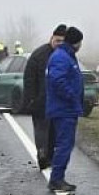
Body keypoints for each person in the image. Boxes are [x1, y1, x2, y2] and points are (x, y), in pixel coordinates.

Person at [45, 26, 85, 193]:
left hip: (66, 108)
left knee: (64, 144)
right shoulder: (62, 57)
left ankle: (58, 177)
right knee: (64, 145)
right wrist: (71, 96)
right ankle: (56, 179)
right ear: (75, 42)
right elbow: (58, 80)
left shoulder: (67, 55)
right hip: (63, 109)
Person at [22, 24, 66, 170]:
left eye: (62, 42)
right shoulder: (39, 55)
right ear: (51, 39)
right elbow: (29, 78)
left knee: (54, 132)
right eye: (57, 41)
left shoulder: (66, 56)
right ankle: (42, 154)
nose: (59, 44)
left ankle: (50, 157)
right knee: (41, 130)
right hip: (40, 101)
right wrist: (30, 99)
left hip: (58, 102)